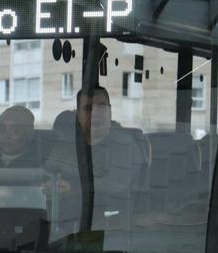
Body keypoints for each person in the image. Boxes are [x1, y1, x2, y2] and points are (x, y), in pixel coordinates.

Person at [46, 85, 146, 233]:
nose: (95, 114)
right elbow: (45, 174)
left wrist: (73, 188)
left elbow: (118, 185)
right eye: (87, 108)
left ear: (110, 111)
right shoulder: (65, 145)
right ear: (78, 114)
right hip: (62, 226)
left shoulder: (125, 145)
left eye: (102, 107)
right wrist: (49, 185)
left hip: (110, 227)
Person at [0, 105, 44, 170]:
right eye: (2, 129)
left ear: (29, 134)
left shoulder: (40, 165)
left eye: (15, 130)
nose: (7, 135)